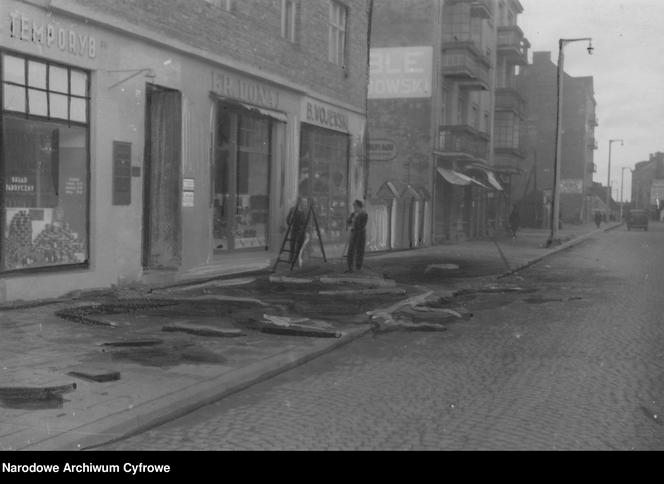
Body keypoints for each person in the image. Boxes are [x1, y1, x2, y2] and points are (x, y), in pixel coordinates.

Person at [346, 199, 368, 273]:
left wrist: (354, 221)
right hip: (354, 234)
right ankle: (350, 268)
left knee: (360, 251)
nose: (354, 207)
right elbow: (348, 223)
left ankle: (358, 267)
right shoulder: (353, 214)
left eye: (355, 205)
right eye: (353, 206)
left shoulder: (364, 214)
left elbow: (361, 225)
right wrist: (351, 219)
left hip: (361, 234)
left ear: (359, 206)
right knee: (351, 251)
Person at [286, 198, 307, 264]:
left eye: (305, 203)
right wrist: (290, 225)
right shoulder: (294, 210)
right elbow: (287, 219)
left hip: (299, 231)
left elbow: (304, 222)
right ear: (300, 203)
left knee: (297, 246)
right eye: (304, 203)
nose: (305, 204)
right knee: (294, 245)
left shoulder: (303, 211)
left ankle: (295, 260)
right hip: (296, 230)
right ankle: (292, 260)